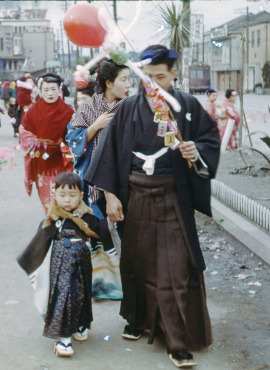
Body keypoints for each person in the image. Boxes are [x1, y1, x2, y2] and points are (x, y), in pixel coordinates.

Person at [84, 44, 220, 368]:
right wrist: (112, 196)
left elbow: (209, 142)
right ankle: (136, 319)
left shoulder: (187, 106)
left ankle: (177, 339)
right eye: (149, 77)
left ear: (174, 74)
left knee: (174, 266)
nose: (155, 83)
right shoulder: (129, 108)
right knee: (137, 261)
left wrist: (195, 151)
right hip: (135, 195)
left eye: (161, 76)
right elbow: (107, 154)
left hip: (172, 195)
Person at [17, 172, 114, 357]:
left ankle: (80, 324)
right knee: (64, 298)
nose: (67, 200)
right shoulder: (54, 220)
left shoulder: (88, 218)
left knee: (81, 295)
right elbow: (39, 243)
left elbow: (102, 232)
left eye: (72, 195)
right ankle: (63, 338)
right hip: (60, 267)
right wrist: (31, 263)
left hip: (83, 266)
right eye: (62, 195)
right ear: (55, 195)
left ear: (81, 196)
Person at [66, 59, 130, 213]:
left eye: (129, 79)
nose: (128, 85)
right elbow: (72, 139)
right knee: (97, 227)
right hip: (93, 177)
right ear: (108, 83)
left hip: (124, 174)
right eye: (124, 79)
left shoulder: (130, 107)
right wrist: (94, 127)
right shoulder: (87, 107)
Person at [19, 72, 75, 213]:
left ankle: (62, 228)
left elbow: (76, 137)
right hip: (42, 161)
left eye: (53, 89)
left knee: (65, 200)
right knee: (48, 202)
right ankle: (54, 227)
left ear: (59, 90)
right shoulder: (32, 112)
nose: (50, 93)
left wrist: (63, 146)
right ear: (40, 91)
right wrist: (37, 142)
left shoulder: (69, 112)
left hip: (62, 161)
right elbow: (24, 133)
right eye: (46, 90)